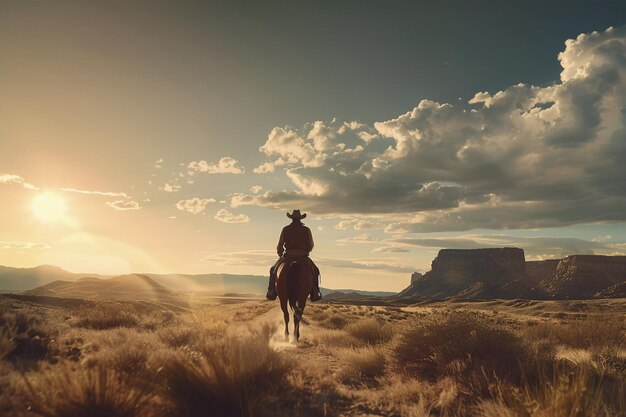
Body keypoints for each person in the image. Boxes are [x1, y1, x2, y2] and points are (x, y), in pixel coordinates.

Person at [266, 209, 322, 301]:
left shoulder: (286, 229)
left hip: (288, 255)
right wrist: (306, 251)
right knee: (315, 270)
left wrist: (280, 254)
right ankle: (315, 292)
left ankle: (271, 290)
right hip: (302, 256)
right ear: (300, 219)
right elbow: (311, 244)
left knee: (273, 269)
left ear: (291, 219)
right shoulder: (306, 230)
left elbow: (280, 245)